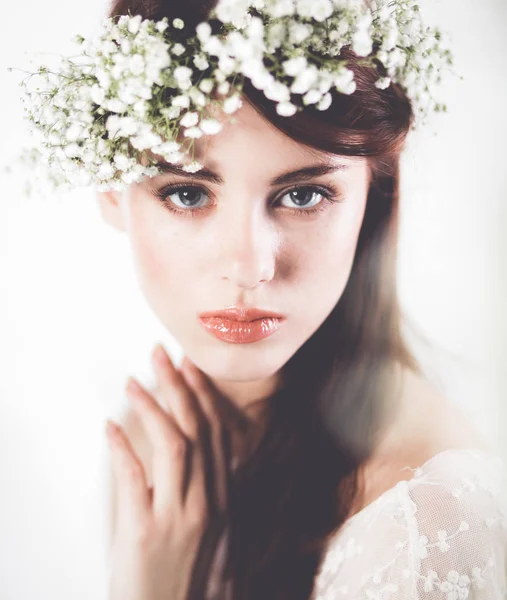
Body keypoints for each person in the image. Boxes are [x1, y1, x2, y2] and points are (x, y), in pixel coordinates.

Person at [19, 0, 506, 598]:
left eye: (302, 196)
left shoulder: (428, 527)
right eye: (188, 194)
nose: (248, 266)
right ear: (111, 194)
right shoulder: (158, 453)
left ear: (373, 194)